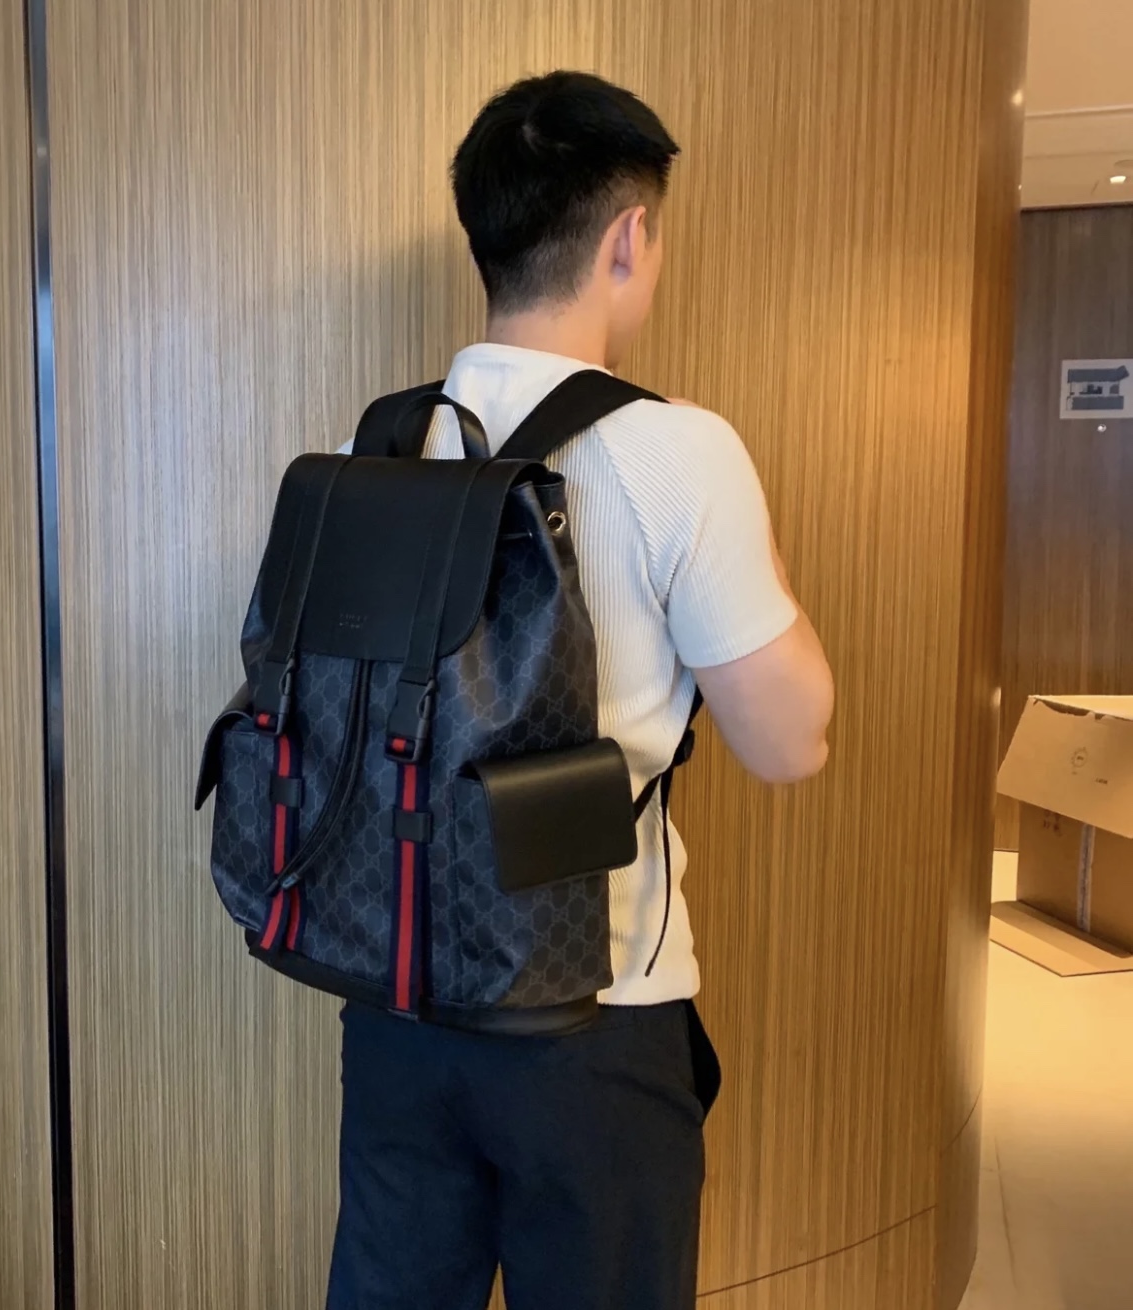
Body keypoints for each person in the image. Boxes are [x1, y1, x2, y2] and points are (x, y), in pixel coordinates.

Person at [327, 70, 834, 1310]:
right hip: (595, 1015)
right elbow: (791, 741)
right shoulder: (678, 452)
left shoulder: (380, 445)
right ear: (627, 236)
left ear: (485, 232)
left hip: (395, 993)